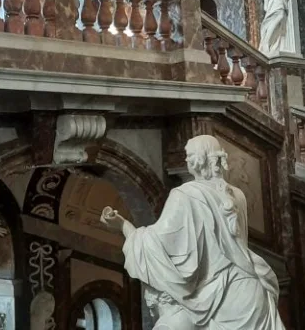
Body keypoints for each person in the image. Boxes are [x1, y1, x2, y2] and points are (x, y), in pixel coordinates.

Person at [101, 135, 285, 330]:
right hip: (250, 289)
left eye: (189, 155)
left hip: (219, 298)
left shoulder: (185, 195)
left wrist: (124, 226)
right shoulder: (237, 195)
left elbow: (158, 244)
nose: (186, 160)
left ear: (201, 159)